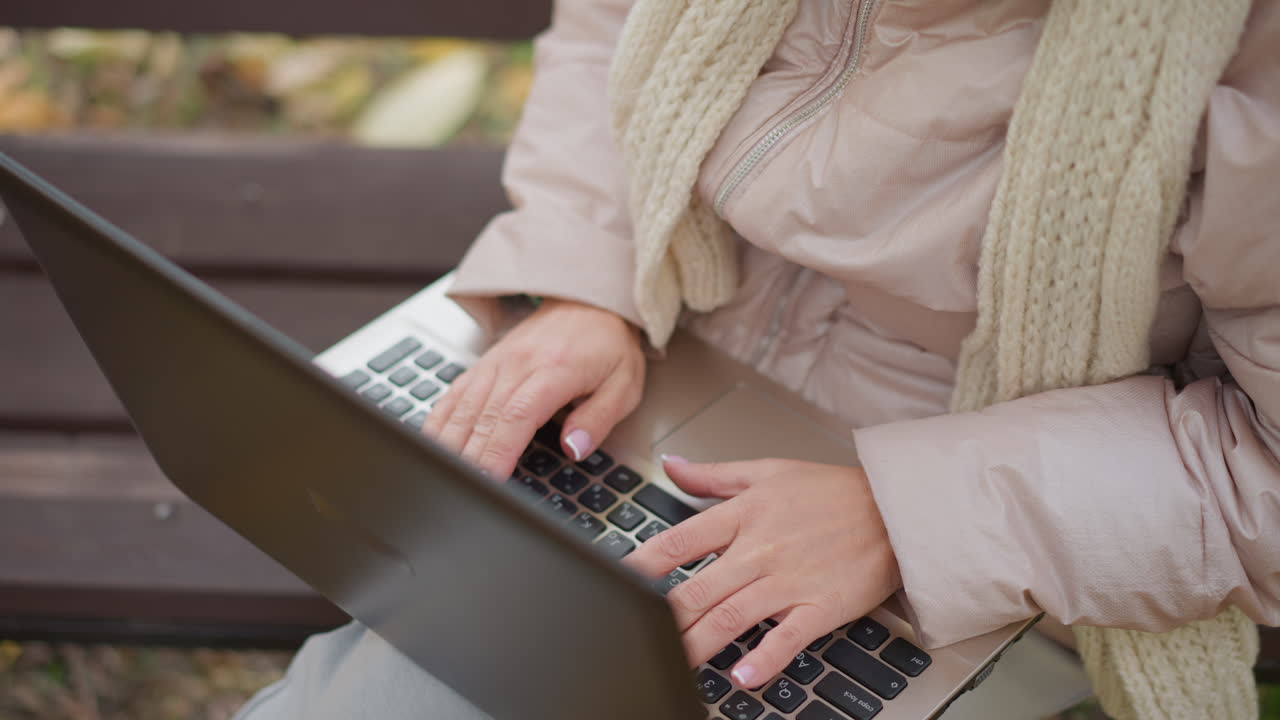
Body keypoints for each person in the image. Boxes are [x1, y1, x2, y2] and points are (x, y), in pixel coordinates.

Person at [235, 0, 1280, 718]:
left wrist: (911, 520)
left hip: (996, 565)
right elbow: (620, 28)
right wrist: (586, 276)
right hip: (665, 386)